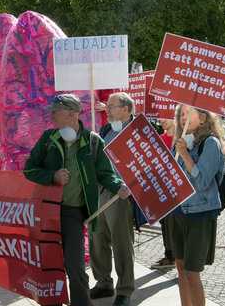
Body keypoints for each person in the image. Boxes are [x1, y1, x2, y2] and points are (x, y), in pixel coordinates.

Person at [23, 94, 130, 306]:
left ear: (71, 113)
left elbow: (105, 174)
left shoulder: (93, 142)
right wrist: (51, 176)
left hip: (73, 213)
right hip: (47, 214)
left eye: (56, 111)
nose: (51, 115)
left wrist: (119, 186)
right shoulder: (47, 139)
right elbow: (29, 169)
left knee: (75, 266)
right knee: (49, 265)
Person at [169, 104, 225, 306]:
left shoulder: (211, 144)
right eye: (181, 114)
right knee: (181, 268)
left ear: (203, 119)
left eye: (189, 113)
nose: (184, 117)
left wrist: (185, 155)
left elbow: (202, 182)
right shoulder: (180, 142)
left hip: (200, 214)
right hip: (178, 212)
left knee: (193, 274)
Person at [89, 92, 135, 306]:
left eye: (112, 106)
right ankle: (103, 283)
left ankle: (125, 289)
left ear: (126, 109)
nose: (107, 109)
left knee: (121, 242)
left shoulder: (138, 132)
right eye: (107, 105)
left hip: (120, 194)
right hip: (99, 191)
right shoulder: (107, 128)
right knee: (97, 239)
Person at [150, 117, 177, 269]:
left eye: (166, 117)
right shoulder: (160, 139)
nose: (161, 121)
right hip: (163, 190)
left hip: (177, 191)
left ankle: (177, 256)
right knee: (166, 223)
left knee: (176, 224)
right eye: (160, 117)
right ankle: (170, 255)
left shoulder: (181, 139)